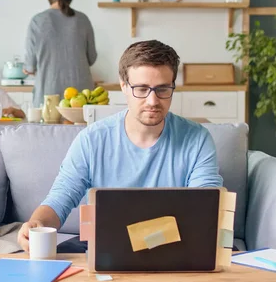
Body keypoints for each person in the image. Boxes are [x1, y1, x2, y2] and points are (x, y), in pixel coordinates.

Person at [17, 40, 224, 253]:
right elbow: (61, 197)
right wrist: (36, 224)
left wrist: (142, 238)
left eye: (162, 89)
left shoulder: (197, 139)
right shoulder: (91, 140)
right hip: (106, 247)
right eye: (141, 89)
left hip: (175, 247)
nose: (153, 100)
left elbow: (207, 208)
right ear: (124, 86)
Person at [23, 0, 98, 108]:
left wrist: (28, 68)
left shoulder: (37, 21)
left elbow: (30, 66)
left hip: (48, 94)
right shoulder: (83, 20)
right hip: (81, 95)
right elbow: (91, 58)